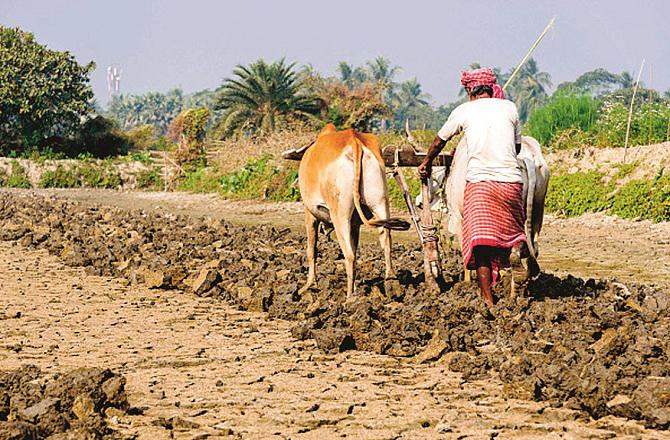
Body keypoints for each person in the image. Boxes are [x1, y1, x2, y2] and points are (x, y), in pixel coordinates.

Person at [418, 67, 528, 310]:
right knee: (512, 232)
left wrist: (426, 162)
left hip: (480, 185)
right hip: (511, 183)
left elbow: (439, 141)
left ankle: (488, 300)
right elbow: (517, 148)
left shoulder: (464, 111)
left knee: (480, 247)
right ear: (491, 88)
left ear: (470, 90)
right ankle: (515, 249)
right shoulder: (509, 108)